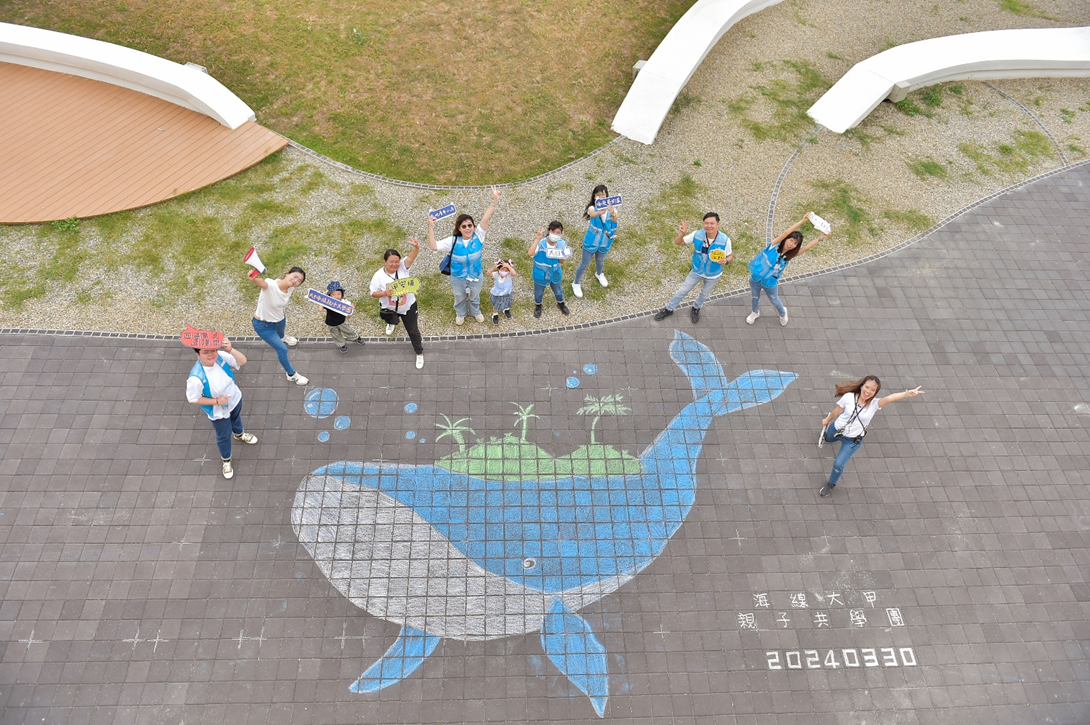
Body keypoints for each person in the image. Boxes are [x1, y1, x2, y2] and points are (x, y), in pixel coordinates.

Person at [818, 376, 925, 497]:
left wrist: (906, 394)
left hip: (852, 440)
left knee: (838, 464)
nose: (868, 391)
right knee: (828, 438)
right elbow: (837, 411)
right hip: (837, 429)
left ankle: (831, 484)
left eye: (873, 390)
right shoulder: (848, 397)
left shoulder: (874, 404)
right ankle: (828, 437)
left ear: (875, 392)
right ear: (861, 386)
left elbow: (890, 398)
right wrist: (827, 420)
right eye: (867, 387)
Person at [186, 337, 257, 480]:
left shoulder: (221, 357)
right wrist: (217, 401)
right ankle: (226, 459)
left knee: (236, 418)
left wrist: (230, 349)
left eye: (213, 350)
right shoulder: (196, 378)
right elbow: (193, 399)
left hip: (234, 398)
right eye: (205, 352)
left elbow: (242, 361)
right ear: (198, 355)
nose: (211, 355)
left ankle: (239, 434)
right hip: (218, 411)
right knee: (223, 435)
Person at [429, 187, 501, 325]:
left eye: (470, 225)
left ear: (473, 226)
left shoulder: (479, 236)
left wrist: (494, 200)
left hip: (476, 275)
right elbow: (434, 246)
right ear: (459, 228)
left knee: (475, 296)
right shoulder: (453, 241)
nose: (468, 228)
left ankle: (475, 311)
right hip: (458, 277)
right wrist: (430, 227)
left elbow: (486, 218)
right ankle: (460, 313)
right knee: (459, 296)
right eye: (464, 226)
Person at [747, 213, 830, 326]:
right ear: (786, 239)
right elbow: (786, 232)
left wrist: (821, 237)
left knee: (775, 300)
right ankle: (755, 312)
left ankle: (782, 313)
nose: (791, 244)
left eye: (795, 243)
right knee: (755, 297)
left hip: (770, 283)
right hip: (756, 277)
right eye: (791, 240)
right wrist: (802, 221)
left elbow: (806, 248)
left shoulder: (789, 256)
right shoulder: (773, 245)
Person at [653, 212, 733, 324]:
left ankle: (696, 308)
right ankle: (669, 309)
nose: (709, 226)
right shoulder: (697, 234)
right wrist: (682, 233)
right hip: (696, 271)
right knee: (682, 291)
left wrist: (726, 261)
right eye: (706, 223)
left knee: (704, 295)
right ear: (703, 224)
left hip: (713, 275)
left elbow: (730, 255)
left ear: (718, 224)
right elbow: (678, 242)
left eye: (712, 223)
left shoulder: (725, 240)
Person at [370, 240, 425, 369]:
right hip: (390, 308)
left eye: (397, 261)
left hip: (408, 306)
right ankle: (392, 323)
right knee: (391, 319)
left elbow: (411, 257)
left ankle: (419, 353)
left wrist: (416, 247)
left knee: (413, 331)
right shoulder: (378, 276)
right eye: (391, 262)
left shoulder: (403, 267)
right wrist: (385, 293)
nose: (394, 264)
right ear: (385, 261)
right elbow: (373, 293)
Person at [249, 266, 308, 386]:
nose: (296, 281)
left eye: (299, 281)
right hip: (264, 325)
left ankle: (283, 337)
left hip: (280, 319)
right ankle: (291, 375)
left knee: (281, 334)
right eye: (295, 276)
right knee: (282, 349)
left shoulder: (290, 288)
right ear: (287, 274)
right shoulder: (271, 285)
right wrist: (253, 278)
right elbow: (261, 282)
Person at [571, 184, 618, 299]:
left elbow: (615, 220)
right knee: (584, 264)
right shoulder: (592, 208)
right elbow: (592, 214)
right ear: (594, 196)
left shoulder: (611, 208)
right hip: (591, 242)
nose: (601, 197)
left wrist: (613, 213)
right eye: (598, 195)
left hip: (605, 242)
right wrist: (599, 212)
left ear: (607, 196)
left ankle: (599, 274)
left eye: (603, 195)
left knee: (600, 261)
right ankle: (576, 283)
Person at [528, 221, 571, 319]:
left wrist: (563, 254)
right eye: (553, 231)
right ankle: (538, 305)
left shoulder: (562, 244)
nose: (555, 234)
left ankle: (561, 303)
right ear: (548, 231)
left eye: (558, 232)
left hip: (555, 273)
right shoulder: (541, 244)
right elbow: (530, 253)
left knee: (558, 290)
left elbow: (562, 261)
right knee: (538, 292)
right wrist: (537, 239)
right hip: (541, 274)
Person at [322, 281, 365, 353]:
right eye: (333, 294)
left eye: (338, 294)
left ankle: (356, 337)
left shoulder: (344, 303)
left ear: (342, 294)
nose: (336, 296)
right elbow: (320, 309)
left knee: (349, 330)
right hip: (331, 323)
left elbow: (348, 316)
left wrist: (350, 310)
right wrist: (323, 295)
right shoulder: (328, 304)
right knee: (336, 335)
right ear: (329, 295)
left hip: (342, 321)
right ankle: (341, 345)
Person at [487, 258, 517, 325]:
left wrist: (508, 266)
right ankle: (495, 314)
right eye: (502, 269)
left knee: (507, 302)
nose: (504, 271)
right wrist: (492, 269)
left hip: (507, 293)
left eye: (506, 270)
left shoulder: (509, 275)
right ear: (499, 269)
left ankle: (506, 309)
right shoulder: (496, 274)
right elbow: (488, 274)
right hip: (498, 294)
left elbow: (514, 273)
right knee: (496, 305)